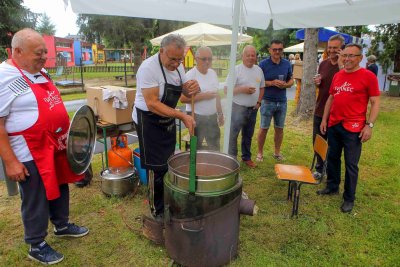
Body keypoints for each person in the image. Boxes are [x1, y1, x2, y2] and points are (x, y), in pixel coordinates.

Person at [0, 28, 89, 265]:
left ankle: (61, 224)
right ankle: (36, 243)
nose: (43, 58)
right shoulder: (4, 76)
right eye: (38, 53)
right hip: (29, 149)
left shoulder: (39, 72)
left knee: (60, 186)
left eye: (45, 53)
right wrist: (10, 162)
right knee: (35, 195)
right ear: (17, 51)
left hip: (55, 145)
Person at [133, 34, 199, 219]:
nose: (176, 63)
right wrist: (180, 115)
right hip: (148, 121)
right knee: (156, 167)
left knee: (169, 161)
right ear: (161, 51)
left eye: (180, 59)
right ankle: (157, 209)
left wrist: (193, 87)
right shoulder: (148, 68)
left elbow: (184, 89)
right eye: (172, 59)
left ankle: (167, 199)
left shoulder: (178, 67)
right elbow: (152, 103)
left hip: (166, 118)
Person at [318, 43, 380, 213]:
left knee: (351, 164)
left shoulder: (368, 76)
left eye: (351, 56)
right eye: (344, 55)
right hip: (334, 124)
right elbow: (331, 98)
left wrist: (369, 125)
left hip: (353, 127)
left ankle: (349, 198)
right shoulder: (338, 75)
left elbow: (375, 102)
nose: (347, 59)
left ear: (360, 58)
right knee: (332, 157)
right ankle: (332, 187)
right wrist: (324, 119)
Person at [224, 45, 265, 168]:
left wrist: (258, 103)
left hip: (252, 109)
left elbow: (262, 87)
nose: (251, 57)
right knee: (233, 135)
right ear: (243, 56)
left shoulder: (259, 70)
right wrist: (242, 89)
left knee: (248, 135)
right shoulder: (236, 70)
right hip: (237, 107)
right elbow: (226, 90)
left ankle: (246, 158)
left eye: (253, 55)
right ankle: (232, 159)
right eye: (248, 55)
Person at [312, 34, 345, 179]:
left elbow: (345, 79)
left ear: (341, 49)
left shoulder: (345, 66)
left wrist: (340, 63)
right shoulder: (323, 63)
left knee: (333, 145)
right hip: (320, 108)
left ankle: (331, 172)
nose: (331, 50)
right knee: (318, 140)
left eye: (335, 48)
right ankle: (319, 169)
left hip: (337, 112)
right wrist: (317, 82)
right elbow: (322, 84)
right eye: (330, 47)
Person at [180, 46, 224, 151]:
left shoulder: (213, 73)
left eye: (210, 58)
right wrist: (204, 96)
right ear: (196, 59)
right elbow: (182, 98)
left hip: (212, 117)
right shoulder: (190, 75)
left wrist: (220, 113)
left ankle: (212, 165)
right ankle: (196, 166)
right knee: (196, 147)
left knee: (215, 145)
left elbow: (217, 95)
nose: (207, 61)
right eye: (204, 59)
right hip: (196, 117)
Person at [257, 40, 294, 162]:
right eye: (275, 49)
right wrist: (272, 83)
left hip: (282, 101)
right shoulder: (263, 64)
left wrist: (286, 85)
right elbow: (258, 82)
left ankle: (277, 152)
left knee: (279, 128)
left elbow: (291, 80)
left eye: (280, 49)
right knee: (264, 128)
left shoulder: (287, 64)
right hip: (267, 100)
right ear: (270, 50)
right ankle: (260, 153)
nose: (277, 51)